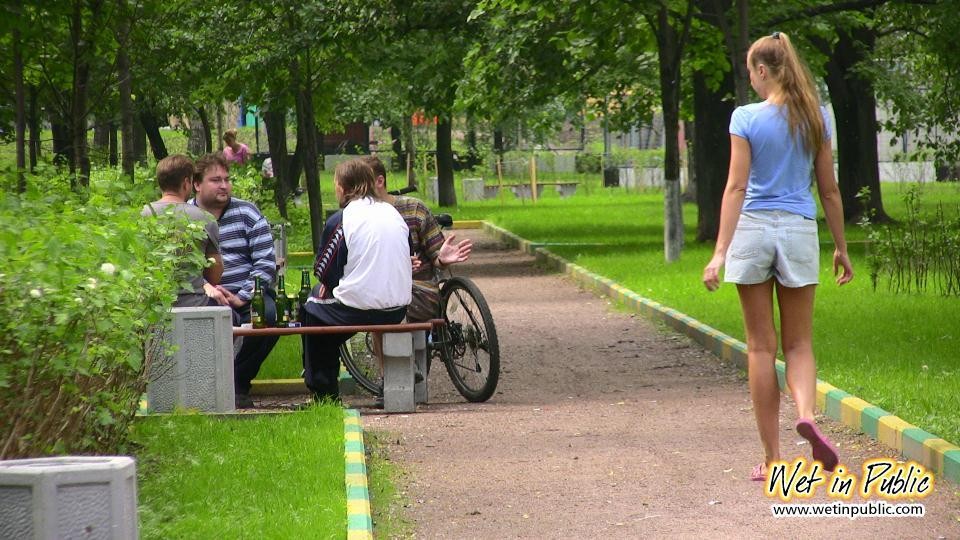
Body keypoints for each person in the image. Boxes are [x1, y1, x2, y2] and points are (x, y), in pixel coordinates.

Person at [701, 32, 854, 482]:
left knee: (761, 347)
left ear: (763, 71)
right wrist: (841, 248)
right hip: (798, 230)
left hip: (752, 230)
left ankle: (772, 458)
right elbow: (829, 190)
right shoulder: (815, 118)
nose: (750, 80)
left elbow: (735, 187)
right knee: (799, 343)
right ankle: (806, 413)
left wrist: (719, 252)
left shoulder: (745, 117)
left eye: (751, 72)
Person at [302, 159, 412, 402]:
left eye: (335, 185)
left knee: (311, 306)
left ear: (342, 187)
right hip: (397, 308)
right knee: (326, 318)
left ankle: (324, 392)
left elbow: (324, 271)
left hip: (359, 309)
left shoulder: (343, 218)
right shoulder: (392, 213)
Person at [191, 152, 278, 408]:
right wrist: (206, 288)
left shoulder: (247, 212)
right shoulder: (186, 217)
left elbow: (265, 261)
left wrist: (242, 296)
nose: (224, 185)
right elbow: (182, 268)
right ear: (197, 184)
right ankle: (205, 390)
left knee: (271, 317)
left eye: (227, 179)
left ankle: (239, 382)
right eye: (215, 180)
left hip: (248, 293)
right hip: (203, 294)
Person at [361, 155, 472, 322]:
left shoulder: (413, 208)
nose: (356, 191)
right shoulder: (357, 217)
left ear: (379, 181)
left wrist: (441, 259)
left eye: (360, 184)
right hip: (377, 290)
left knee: (382, 312)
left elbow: (436, 256)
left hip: (418, 291)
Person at [141, 154, 224, 307]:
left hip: (151, 306)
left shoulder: (141, 215)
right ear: (186, 183)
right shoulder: (205, 218)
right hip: (194, 304)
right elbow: (214, 275)